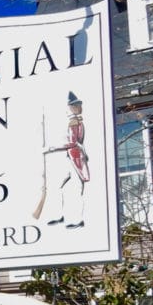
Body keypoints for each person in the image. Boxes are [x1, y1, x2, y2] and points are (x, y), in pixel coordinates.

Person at [47, 91, 90, 229]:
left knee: (76, 188)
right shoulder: (75, 121)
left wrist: (54, 147)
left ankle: (77, 219)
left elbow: (72, 142)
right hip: (73, 156)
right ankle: (59, 215)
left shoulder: (73, 122)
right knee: (59, 185)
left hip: (75, 157)